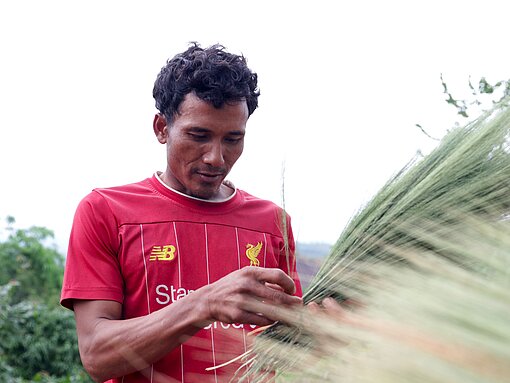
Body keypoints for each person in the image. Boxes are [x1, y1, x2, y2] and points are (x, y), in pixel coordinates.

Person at [60, 42, 302, 383]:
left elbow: (291, 348)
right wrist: (204, 304)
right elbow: (98, 355)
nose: (216, 158)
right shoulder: (105, 212)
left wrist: (326, 331)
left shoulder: (273, 223)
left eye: (233, 139)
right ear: (162, 128)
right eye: (198, 135)